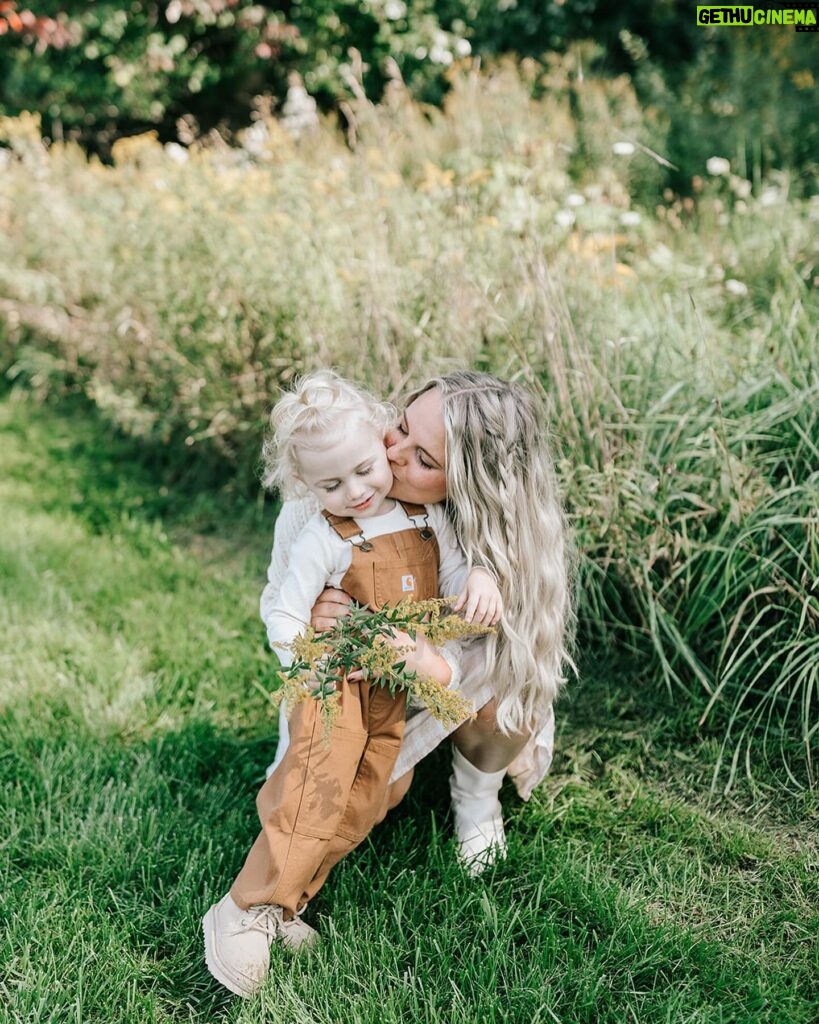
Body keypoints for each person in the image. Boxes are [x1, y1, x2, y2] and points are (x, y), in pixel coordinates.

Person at [203, 370, 502, 998]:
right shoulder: (321, 533)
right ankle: (242, 910)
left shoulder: (431, 522)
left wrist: (481, 576)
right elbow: (285, 609)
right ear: (307, 488)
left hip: (392, 689)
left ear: (380, 437)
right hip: (333, 680)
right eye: (332, 484)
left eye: (366, 469)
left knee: (371, 797)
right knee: (318, 783)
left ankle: (290, 903)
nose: (356, 491)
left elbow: (453, 582)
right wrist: (304, 664)